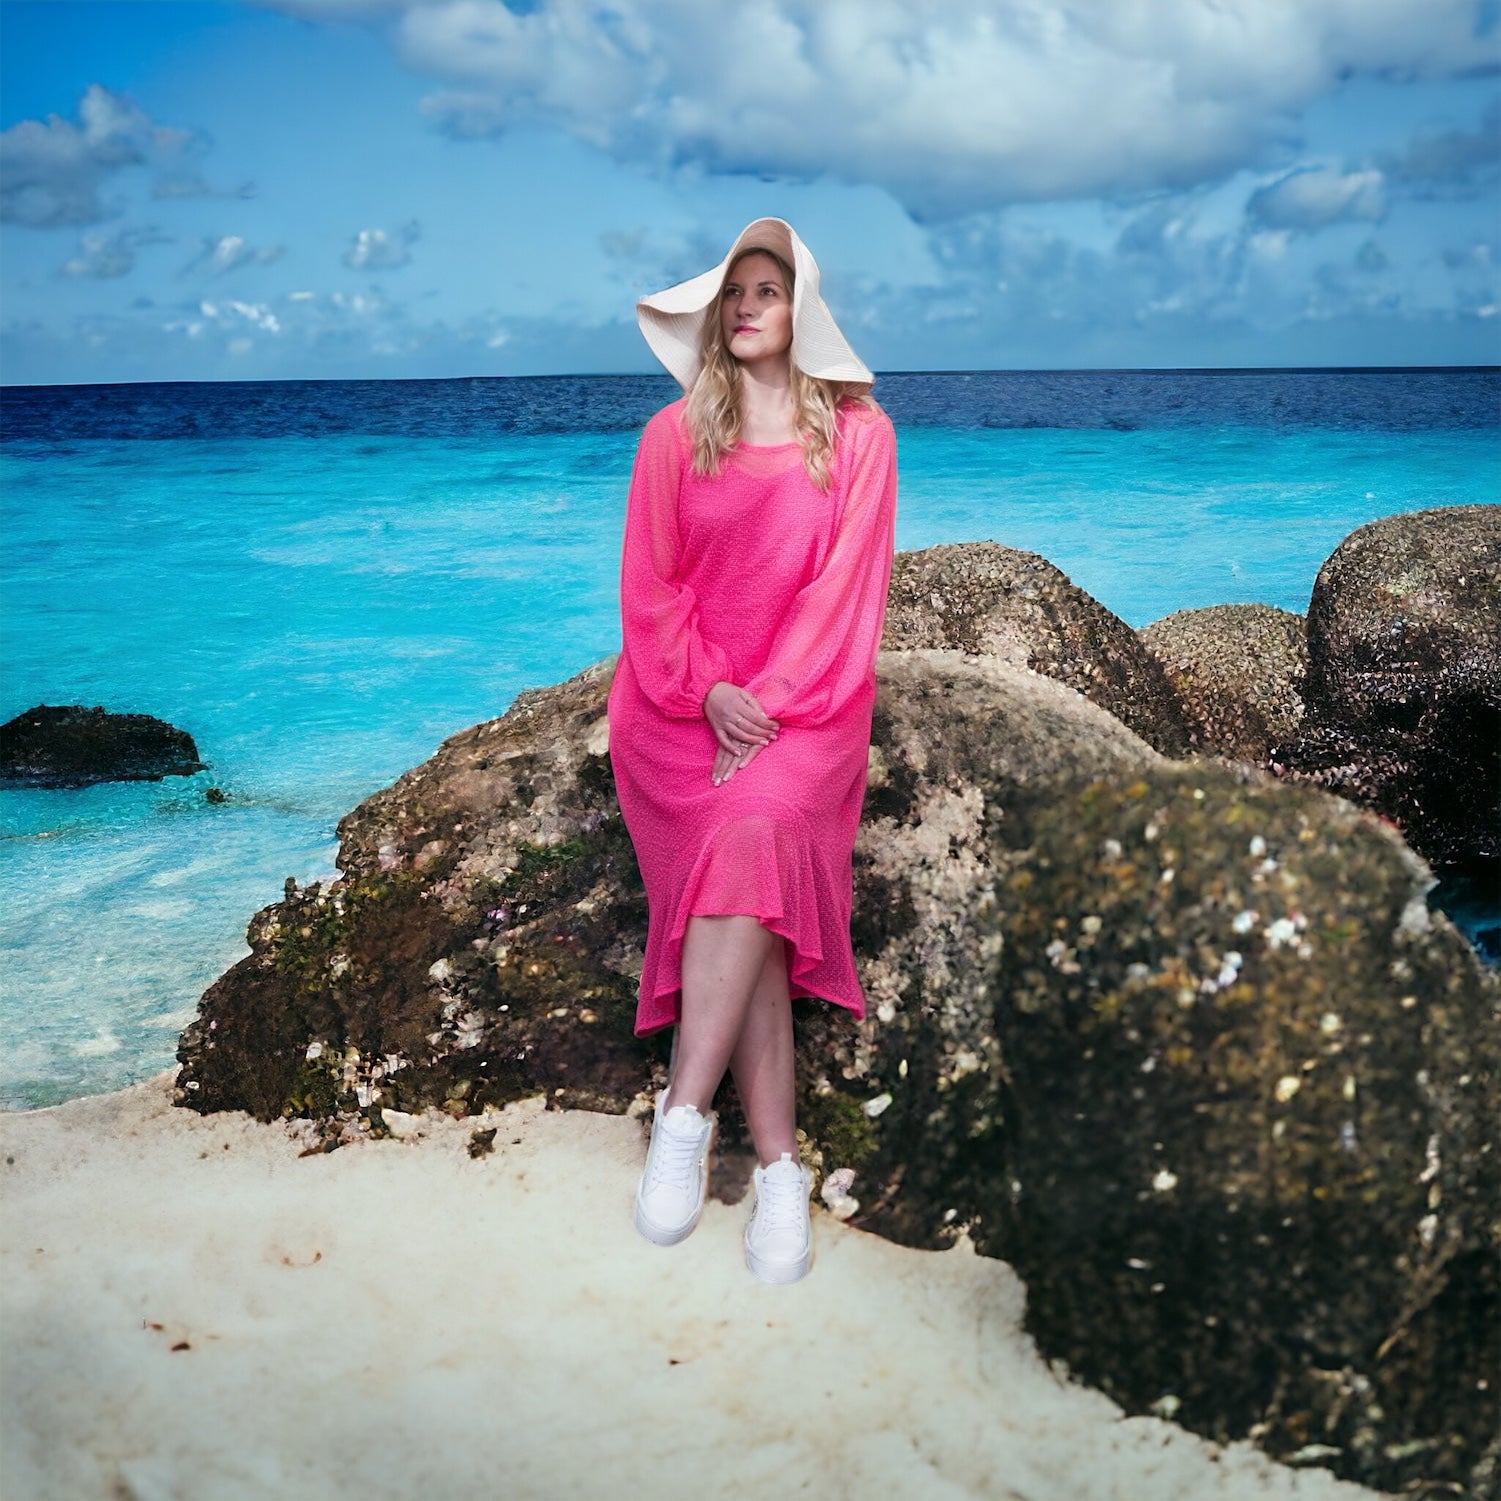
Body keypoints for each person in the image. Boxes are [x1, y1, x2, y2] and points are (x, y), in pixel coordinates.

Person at [606, 216, 898, 1284]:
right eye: (733, 292)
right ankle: (779, 1167)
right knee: (753, 879)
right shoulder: (671, 437)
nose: (743, 308)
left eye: (765, 291)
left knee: (761, 827)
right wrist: (710, 692)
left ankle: (681, 1113)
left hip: (808, 713)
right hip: (677, 712)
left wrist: (764, 704)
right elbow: (652, 589)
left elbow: (843, 596)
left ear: (800, 310)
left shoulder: (863, 436)